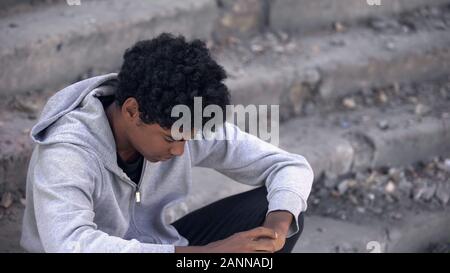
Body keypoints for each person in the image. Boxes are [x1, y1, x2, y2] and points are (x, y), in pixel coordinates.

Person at [20, 33, 314, 253]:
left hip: (164, 247)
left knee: (281, 206)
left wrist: (274, 229)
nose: (180, 150)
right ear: (132, 111)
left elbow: (289, 166)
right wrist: (203, 256)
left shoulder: (183, 120)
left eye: (188, 138)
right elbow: (70, 243)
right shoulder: (68, 150)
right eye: (171, 139)